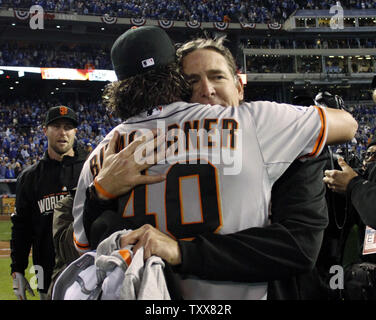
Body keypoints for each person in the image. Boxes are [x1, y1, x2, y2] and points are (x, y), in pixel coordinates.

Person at [72, 26, 357, 300]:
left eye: (217, 77)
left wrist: (99, 193)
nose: (207, 90)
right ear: (177, 82)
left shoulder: (101, 154)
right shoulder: (254, 122)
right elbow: (347, 125)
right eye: (192, 81)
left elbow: (85, 248)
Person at [10, 106, 88, 300]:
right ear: (45, 130)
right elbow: (21, 227)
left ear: (75, 131)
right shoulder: (29, 177)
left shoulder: (90, 169)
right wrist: (17, 269)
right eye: (56, 126)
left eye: (68, 127)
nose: (62, 132)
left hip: (88, 272)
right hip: (46, 275)